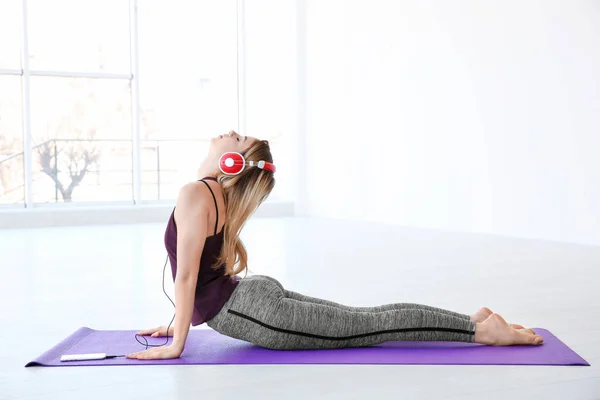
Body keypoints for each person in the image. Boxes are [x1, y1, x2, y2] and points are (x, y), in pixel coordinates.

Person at [127, 130, 543, 360]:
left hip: (253, 308)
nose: (230, 133)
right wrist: (175, 323)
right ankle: (472, 321)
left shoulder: (194, 193)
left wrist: (177, 342)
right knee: (370, 318)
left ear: (233, 163)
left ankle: (480, 331)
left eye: (239, 140)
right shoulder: (208, 194)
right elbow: (195, 274)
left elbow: (186, 276)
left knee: (371, 326)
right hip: (251, 298)